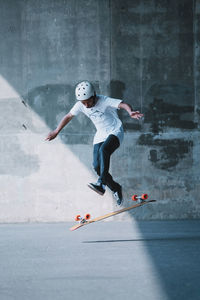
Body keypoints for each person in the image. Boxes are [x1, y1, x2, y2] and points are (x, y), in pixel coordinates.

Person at [46, 81, 143, 205]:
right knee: (97, 166)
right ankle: (115, 188)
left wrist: (130, 112)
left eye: (88, 101)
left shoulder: (104, 101)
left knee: (104, 150)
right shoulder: (80, 105)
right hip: (100, 134)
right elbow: (68, 116)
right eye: (83, 102)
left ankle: (101, 184)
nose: (86, 105)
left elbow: (123, 104)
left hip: (115, 131)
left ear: (94, 96)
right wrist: (56, 131)